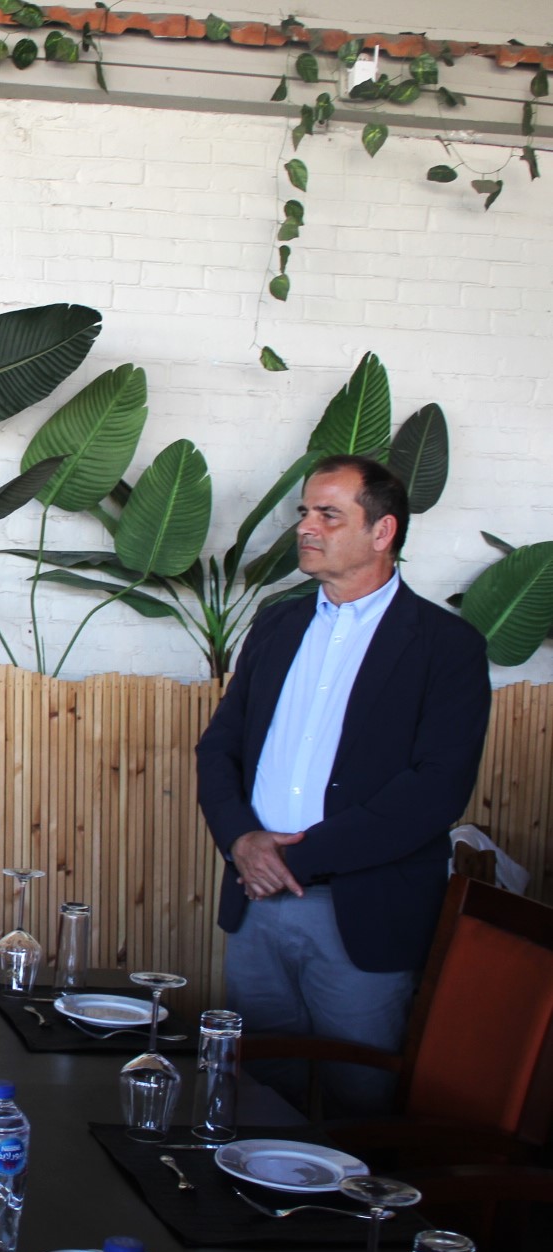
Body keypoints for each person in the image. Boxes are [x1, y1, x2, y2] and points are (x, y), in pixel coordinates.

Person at [195, 454, 491, 1116]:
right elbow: (219, 748)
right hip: (255, 903)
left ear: (383, 531)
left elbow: (435, 790)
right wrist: (241, 841)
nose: (306, 526)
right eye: (306, 512)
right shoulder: (277, 623)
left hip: (363, 910)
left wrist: (289, 860)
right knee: (254, 1092)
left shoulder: (447, 645)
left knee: (360, 1102)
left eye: (329, 515)